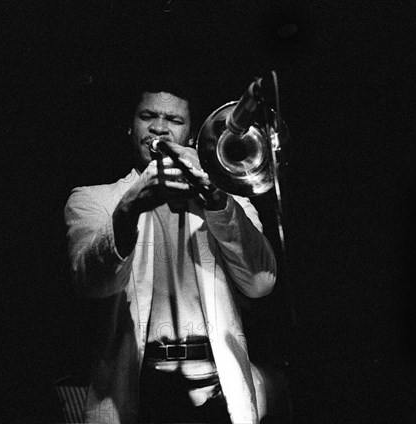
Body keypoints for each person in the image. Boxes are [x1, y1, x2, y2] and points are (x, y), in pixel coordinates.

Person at [64, 73, 277, 423]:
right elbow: (91, 283)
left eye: (174, 120)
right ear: (130, 127)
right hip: (138, 393)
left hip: (215, 393)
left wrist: (219, 201)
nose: (159, 129)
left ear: (191, 134)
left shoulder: (230, 200)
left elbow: (261, 283)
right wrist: (129, 208)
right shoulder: (94, 200)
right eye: (148, 117)